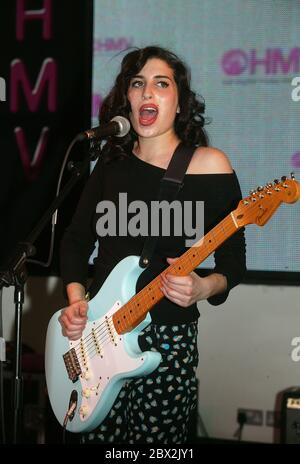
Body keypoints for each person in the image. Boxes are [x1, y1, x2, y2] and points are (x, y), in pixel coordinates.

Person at [58, 45, 246, 444]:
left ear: (179, 103)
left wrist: (203, 287)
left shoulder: (210, 166)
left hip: (168, 339)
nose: (147, 92)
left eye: (162, 84)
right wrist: (77, 302)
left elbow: (234, 259)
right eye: (138, 83)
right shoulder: (109, 165)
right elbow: (75, 242)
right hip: (98, 335)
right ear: (126, 98)